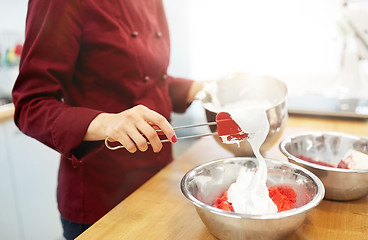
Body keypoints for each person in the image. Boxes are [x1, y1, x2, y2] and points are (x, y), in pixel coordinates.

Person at [12, 0, 203, 239]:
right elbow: (31, 105)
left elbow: (148, 79)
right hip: (101, 199)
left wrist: (202, 88)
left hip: (159, 181)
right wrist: (107, 123)